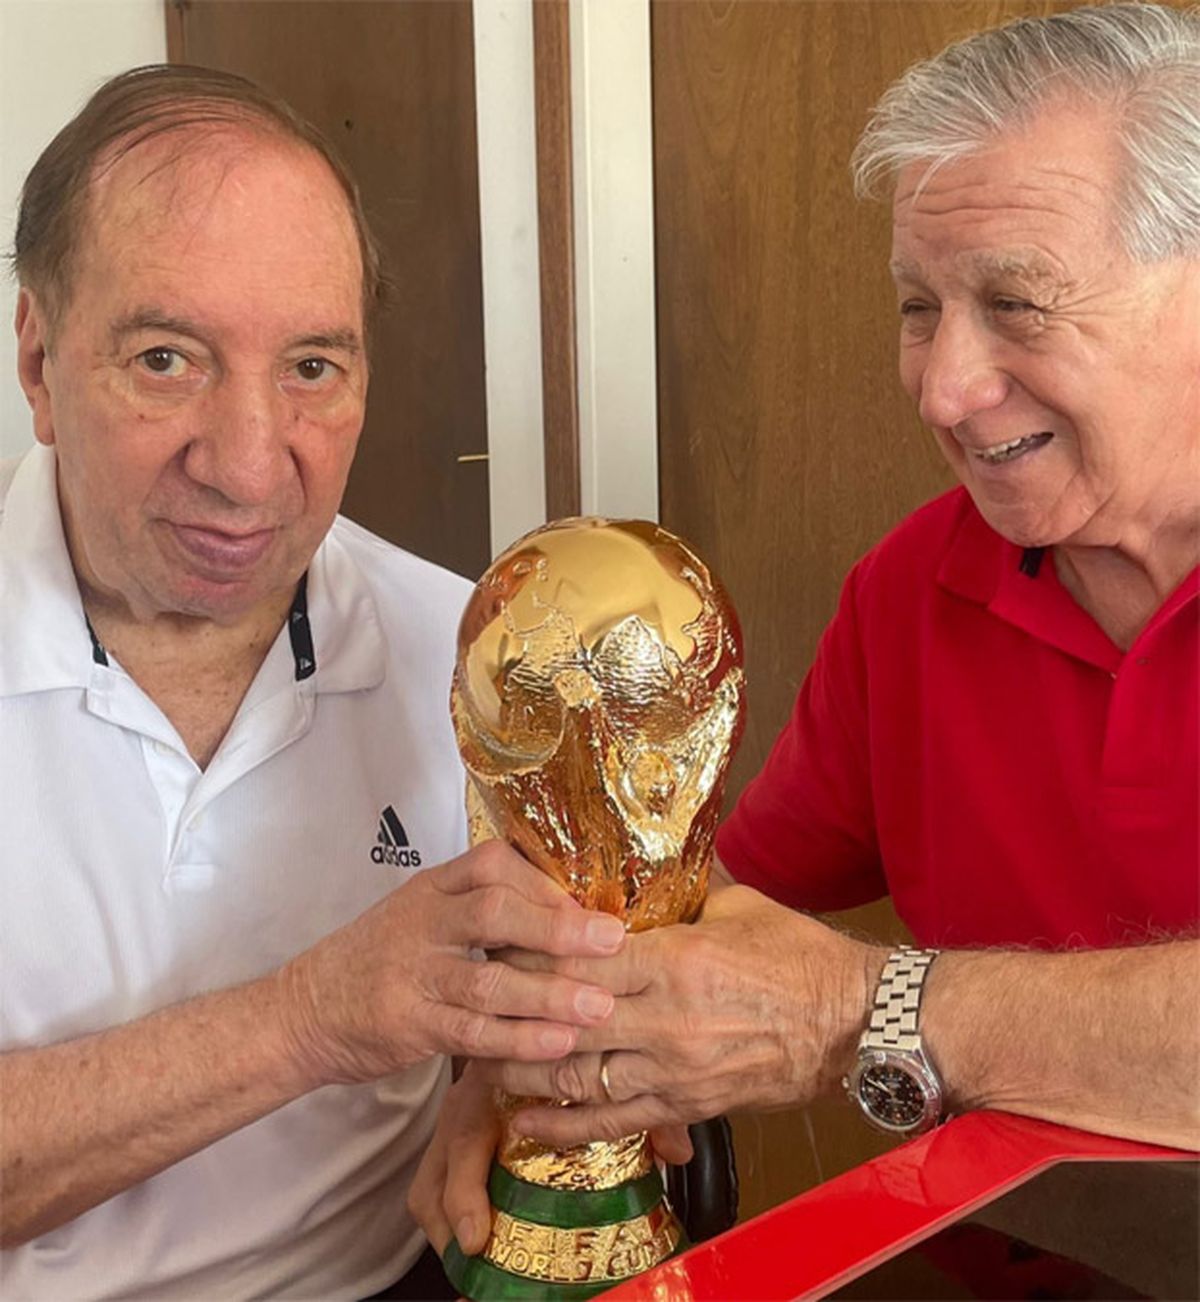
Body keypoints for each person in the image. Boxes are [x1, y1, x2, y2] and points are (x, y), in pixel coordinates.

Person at [411, 0, 1199, 1261]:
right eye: (918, 307)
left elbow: (819, 999)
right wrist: (527, 1074)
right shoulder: (912, 589)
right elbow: (703, 904)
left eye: (1018, 302)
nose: (943, 389)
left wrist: (861, 1010)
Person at [0, 66, 630, 1300]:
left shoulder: (469, 653)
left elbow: (548, 992)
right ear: (38, 359)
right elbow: (341, 1013)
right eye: (167, 358)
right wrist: (311, 1019)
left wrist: (500, 1087)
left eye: (311, 368)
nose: (248, 469)